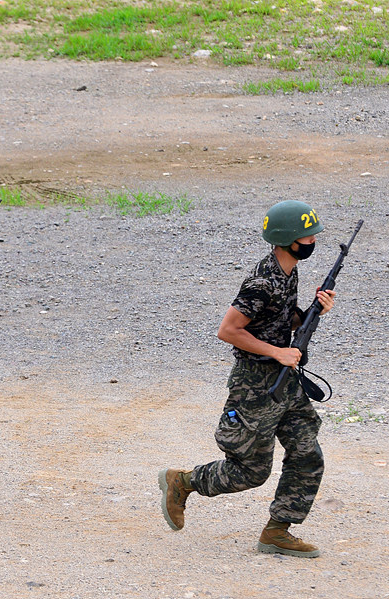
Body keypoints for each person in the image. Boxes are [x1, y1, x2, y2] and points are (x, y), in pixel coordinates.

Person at [159, 200, 336, 558]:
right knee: (251, 471)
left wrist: (313, 311)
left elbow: (280, 321)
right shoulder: (261, 282)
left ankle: (277, 532)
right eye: (307, 236)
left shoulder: (288, 271)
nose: (313, 240)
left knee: (307, 454)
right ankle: (183, 482)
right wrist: (277, 352)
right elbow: (228, 330)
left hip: (284, 379)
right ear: (288, 240)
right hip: (255, 385)